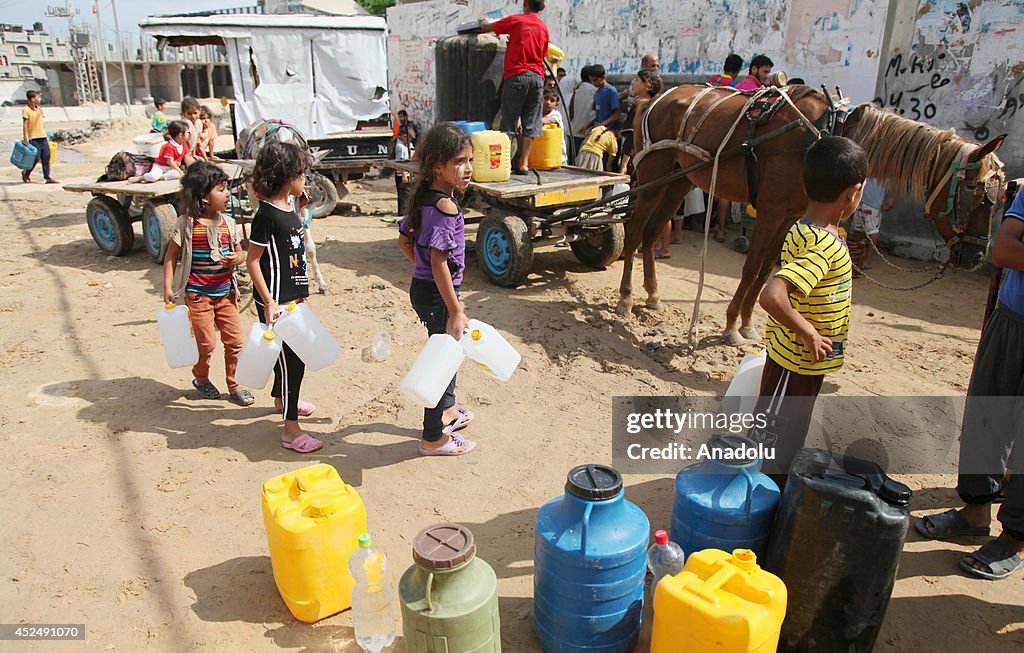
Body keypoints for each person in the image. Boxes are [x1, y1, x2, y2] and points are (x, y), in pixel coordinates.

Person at [913, 178, 1024, 580]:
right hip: (1011, 318)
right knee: (985, 415)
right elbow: (1006, 249)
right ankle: (975, 511)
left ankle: (1014, 539)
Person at [749, 136, 866, 487]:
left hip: (800, 359)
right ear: (853, 194)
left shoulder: (806, 228)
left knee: (783, 429)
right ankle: (761, 494)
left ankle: (770, 484)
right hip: (796, 362)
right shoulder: (824, 245)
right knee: (773, 436)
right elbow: (772, 296)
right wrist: (809, 333)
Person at [397, 123, 477, 456]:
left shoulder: (425, 197)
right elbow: (439, 262)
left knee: (446, 353)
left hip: (425, 290)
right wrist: (456, 309)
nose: (468, 168)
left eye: (470, 159)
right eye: (459, 161)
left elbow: (404, 240)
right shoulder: (445, 207)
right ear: (437, 166)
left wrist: (421, 266)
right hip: (438, 295)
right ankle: (433, 438)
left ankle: (446, 411)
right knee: (441, 362)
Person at [246, 140, 322, 453]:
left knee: (286, 359)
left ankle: (282, 400)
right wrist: (268, 302)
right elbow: (253, 261)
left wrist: (302, 294)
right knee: (294, 362)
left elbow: (294, 259)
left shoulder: (289, 210)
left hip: (292, 300)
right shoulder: (266, 216)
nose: (305, 178)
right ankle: (291, 430)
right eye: (302, 172)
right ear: (289, 175)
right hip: (276, 303)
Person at [162, 161, 252, 407]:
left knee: (235, 341)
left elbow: (240, 252)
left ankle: (234, 384)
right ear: (203, 196)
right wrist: (169, 287)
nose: (227, 194)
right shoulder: (186, 224)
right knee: (206, 344)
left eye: (226, 188)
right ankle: (201, 378)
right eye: (221, 189)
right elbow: (171, 257)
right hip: (198, 295)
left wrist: (238, 257)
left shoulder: (229, 223)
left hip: (226, 294)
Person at [481, 0, 549, 175]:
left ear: (525, 4)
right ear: (542, 8)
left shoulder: (516, 21)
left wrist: (482, 22)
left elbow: (488, 28)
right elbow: (542, 54)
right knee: (531, 122)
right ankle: (523, 164)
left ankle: (505, 163)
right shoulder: (543, 28)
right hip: (537, 78)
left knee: (509, 122)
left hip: (517, 76)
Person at [849, 178, 893, 270]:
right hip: (860, 199)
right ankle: (856, 258)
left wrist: (892, 198)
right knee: (858, 229)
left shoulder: (884, 165)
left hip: (873, 201)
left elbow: (895, 179)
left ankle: (868, 260)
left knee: (872, 230)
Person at [21, 90, 57, 184]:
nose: (39, 99)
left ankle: (47, 177)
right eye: (38, 97)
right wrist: (25, 138)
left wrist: (47, 135)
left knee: (46, 157)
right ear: (32, 99)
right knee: (35, 158)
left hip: (43, 137)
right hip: (34, 138)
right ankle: (26, 173)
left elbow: (41, 124)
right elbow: (25, 124)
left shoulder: (40, 110)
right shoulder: (26, 110)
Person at [569, 64, 597, 155]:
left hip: (573, 131)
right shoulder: (595, 91)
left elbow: (571, 110)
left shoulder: (577, 89)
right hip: (585, 133)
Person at [394, 109, 419, 214]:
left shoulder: (406, 144)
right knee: (404, 193)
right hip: (403, 174)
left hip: (406, 173)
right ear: (403, 137)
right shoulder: (401, 147)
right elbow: (402, 161)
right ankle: (403, 211)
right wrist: (404, 174)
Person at [589, 64, 621, 133]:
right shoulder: (597, 92)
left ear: (603, 77)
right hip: (598, 129)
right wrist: (587, 126)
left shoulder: (611, 91)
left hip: (608, 131)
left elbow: (616, 114)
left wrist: (603, 124)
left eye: (595, 80)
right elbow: (598, 114)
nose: (593, 83)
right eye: (591, 81)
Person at [541, 88, 567, 163]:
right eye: (546, 98)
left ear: (557, 104)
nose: (548, 102)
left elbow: (549, 120)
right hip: (543, 157)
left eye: (552, 100)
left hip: (559, 158)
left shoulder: (556, 114)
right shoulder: (537, 114)